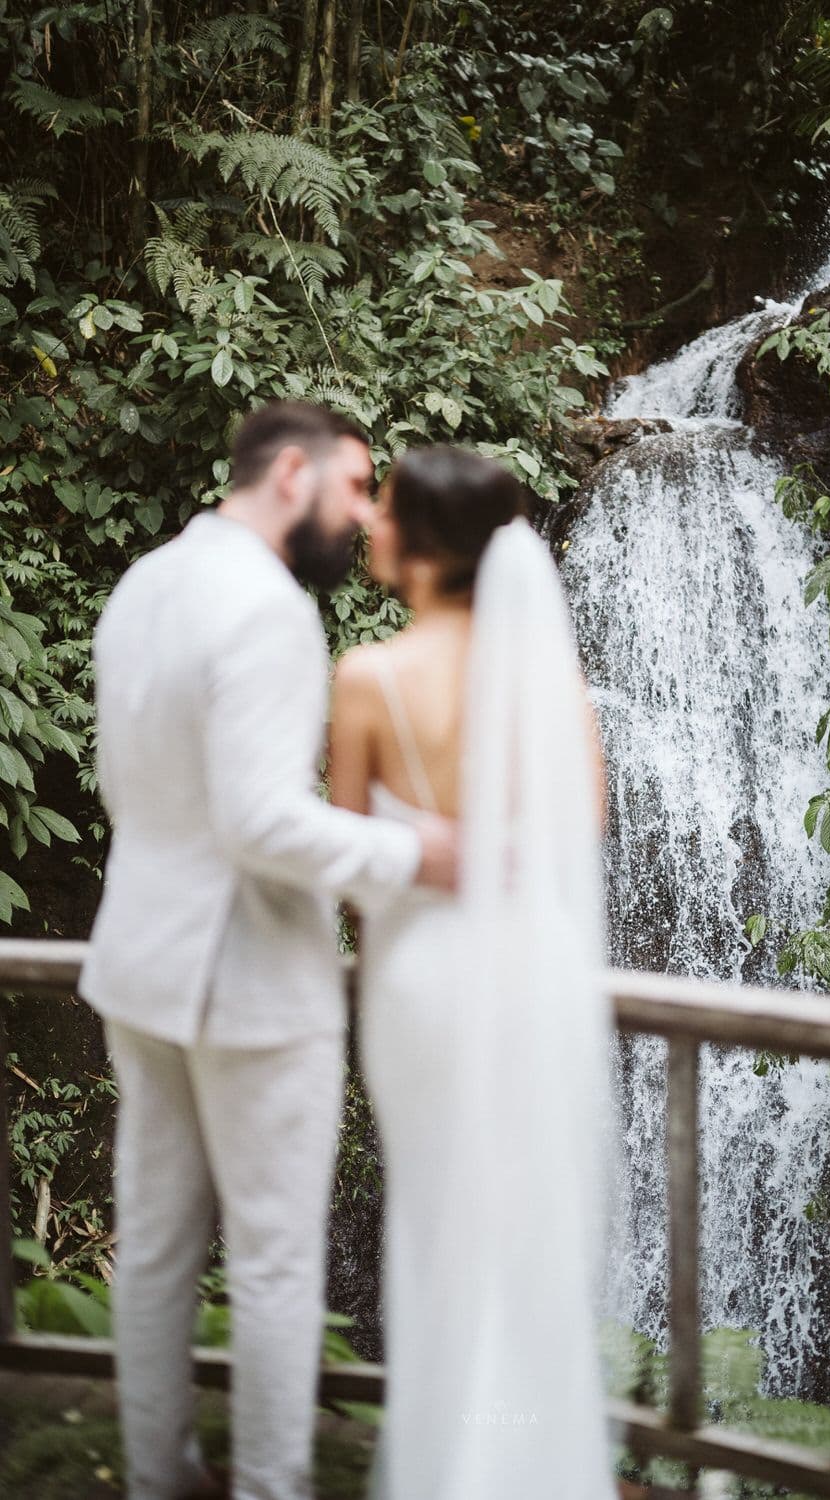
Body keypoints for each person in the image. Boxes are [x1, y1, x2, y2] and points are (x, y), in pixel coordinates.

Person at [79, 402, 456, 1500]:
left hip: (141, 960)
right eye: (353, 488)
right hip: (247, 980)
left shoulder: (146, 583)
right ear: (291, 473)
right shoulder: (270, 609)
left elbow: (135, 787)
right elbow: (258, 821)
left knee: (153, 1248)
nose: (363, 515)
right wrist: (414, 851)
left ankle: (159, 1478)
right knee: (278, 1261)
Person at [328, 446, 618, 1500]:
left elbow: (356, 863)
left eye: (385, 511)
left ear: (420, 542)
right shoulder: (547, 677)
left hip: (419, 980)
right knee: (519, 1217)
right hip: (527, 970)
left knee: (435, 1214)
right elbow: (577, 837)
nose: (369, 526)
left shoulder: (367, 678)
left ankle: (447, 1464)